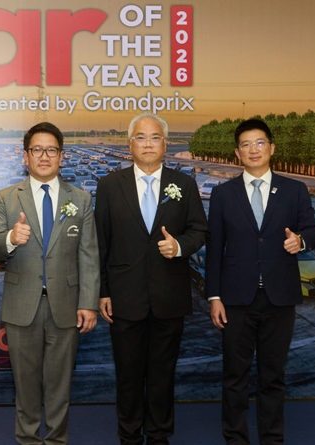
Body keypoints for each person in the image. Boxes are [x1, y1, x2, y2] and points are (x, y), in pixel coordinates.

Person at [206, 118, 315, 445]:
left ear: (271, 148)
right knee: (235, 377)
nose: (253, 150)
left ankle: (272, 438)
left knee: (273, 376)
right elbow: (215, 247)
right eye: (246, 144)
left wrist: (300, 241)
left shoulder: (294, 190)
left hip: (279, 298)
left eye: (259, 143)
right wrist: (214, 296)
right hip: (235, 300)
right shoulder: (223, 194)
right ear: (237, 153)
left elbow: (313, 231)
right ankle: (235, 438)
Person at [95, 112, 207, 444]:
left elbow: (199, 230)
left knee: (162, 374)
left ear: (165, 144)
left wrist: (179, 246)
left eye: (155, 137)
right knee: (128, 375)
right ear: (130, 144)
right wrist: (103, 291)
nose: (147, 144)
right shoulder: (109, 185)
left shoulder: (184, 184)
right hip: (123, 297)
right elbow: (101, 242)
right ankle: (129, 435)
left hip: (169, 297)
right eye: (140, 138)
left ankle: (159, 435)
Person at [0, 122, 99, 444]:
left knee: (60, 386)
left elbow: (89, 255)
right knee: (25, 386)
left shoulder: (81, 199)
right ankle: (28, 439)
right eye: (37, 149)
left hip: (66, 306)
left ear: (61, 156)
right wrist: (11, 238)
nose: (44, 156)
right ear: (26, 156)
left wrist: (88, 303)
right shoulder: (7, 198)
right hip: (22, 306)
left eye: (51, 150)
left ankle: (57, 440)